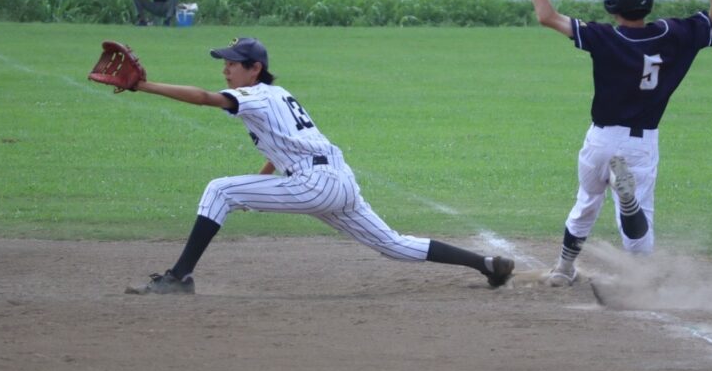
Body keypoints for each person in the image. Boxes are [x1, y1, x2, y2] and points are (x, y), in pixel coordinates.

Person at [124, 37, 515, 294]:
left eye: (233, 63)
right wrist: (260, 181)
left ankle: (179, 277)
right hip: (336, 181)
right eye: (225, 63)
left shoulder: (254, 95)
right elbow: (286, 146)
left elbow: (206, 98)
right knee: (393, 244)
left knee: (219, 189)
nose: (226, 68)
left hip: (316, 183)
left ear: (254, 68)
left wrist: (145, 86)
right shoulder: (278, 94)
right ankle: (486, 265)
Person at [508, 0, 712, 286]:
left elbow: (546, 16)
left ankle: (564, 270)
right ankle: (636, 261)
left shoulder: (605, 36)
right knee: (640, 222)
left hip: (600, 140)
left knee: (586, 204)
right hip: (640, 144)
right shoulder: (673, 33)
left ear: (612, 4)